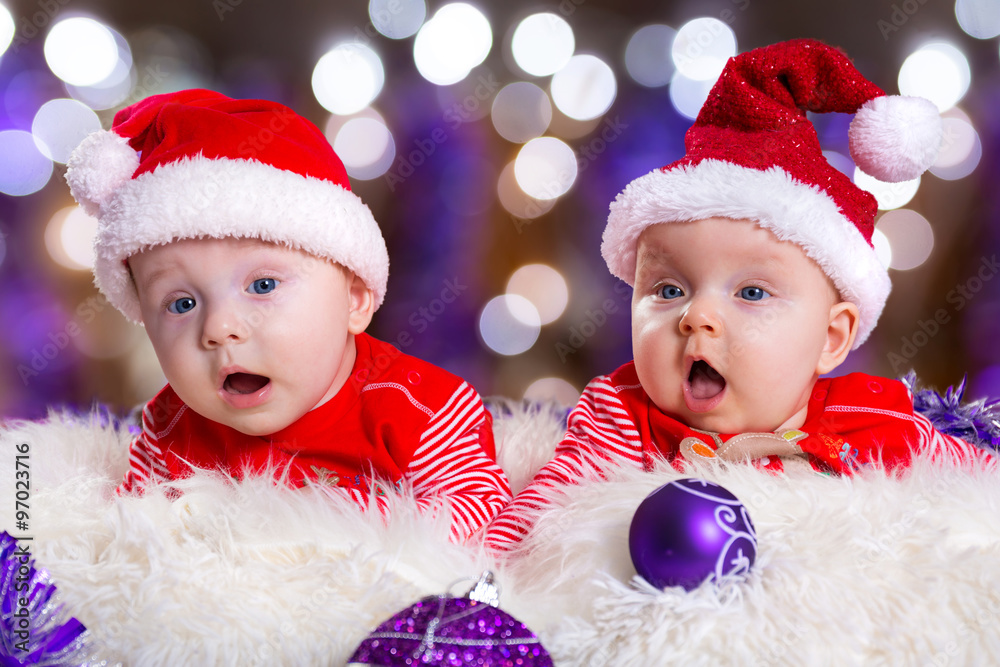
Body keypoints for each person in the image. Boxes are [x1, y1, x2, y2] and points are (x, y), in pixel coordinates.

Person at [487, 39, 986, 550]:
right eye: (668, 289)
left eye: (750, 292)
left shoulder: (872, 421)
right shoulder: (620, 418)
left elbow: (979, 495)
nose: (697, 315)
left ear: (831, 338)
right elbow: (532, 527)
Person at [66, 89, 510, 542]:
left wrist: (311, 520)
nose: (219, 329)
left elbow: (483, 513)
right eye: (182, 304)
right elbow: (130, 535)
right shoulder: (172, 424)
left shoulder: (422, 408)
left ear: (354, 300)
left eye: (263, 286)